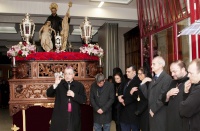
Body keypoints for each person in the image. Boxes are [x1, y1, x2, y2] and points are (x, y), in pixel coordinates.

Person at [46, 66, 86, 131]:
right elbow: (48, 94)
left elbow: (83, 100)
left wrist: (74, 95)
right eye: (65, 73)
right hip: (61, 116)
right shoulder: (59, 84)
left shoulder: (79, 85)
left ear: (73, 75)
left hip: (73, 117)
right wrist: (55, 84)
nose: (67, 75)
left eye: (69, 73)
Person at [162, 60, 188, 131]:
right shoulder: (173, 82)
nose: (172, 74)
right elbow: (164, 100)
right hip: (171, 121)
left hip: (183, 122)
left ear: (183, 70)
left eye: (174, 71)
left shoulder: (190, 82)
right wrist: (168, 95)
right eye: (171, 72)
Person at [148, 56, 172, 131]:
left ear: (161, 65)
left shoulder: (167, 78)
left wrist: (153, 109)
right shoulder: (153, 78)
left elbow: (163, 96)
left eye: (154, 64)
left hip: (160, 113)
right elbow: (149, 95)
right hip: (152, 113)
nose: (151, 66)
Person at [118, 65, 141, 131]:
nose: (126, 73)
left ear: (134, 72)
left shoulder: (138, 81)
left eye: (129, 71)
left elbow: (136, 96)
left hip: (133, 115)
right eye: (126, 71)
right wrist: (120, 97)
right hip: (124, 114)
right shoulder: (126, 81)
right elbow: (121, 90)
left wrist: (124, 101)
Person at [179, 59, 200, 131]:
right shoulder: (194, 86)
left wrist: (182, 105)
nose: (188, 75)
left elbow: (184, 111)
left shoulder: (198, 90)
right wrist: (186, 92)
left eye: (191, 73)